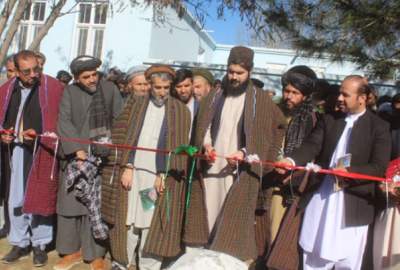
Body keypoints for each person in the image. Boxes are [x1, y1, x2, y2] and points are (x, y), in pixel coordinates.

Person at [184, 46, 286, 264]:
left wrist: (247, 152)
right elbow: (203, 126)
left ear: (250, 71)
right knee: (206, 220)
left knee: (231, 226)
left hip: (239, 175)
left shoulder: (261, 100)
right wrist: (207, 146)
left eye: (239, 73)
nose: (234, 77)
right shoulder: (215, 95)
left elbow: (278, 127)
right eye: (231, 71)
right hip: (211, 169)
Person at [278, 75, 391, 270]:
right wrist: (290, 160)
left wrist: (349, 172)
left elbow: (379, 166)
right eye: (339, 93)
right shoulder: (330, 119)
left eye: (345, 95)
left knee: (348, 258)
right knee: (313, 254)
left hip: (354, 203)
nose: (339, 98)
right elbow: (312, 145)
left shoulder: (379, 127)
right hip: (322, 197)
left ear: (362, 98)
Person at [101, 65, 191, 270]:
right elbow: (123, 136)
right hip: (134, 172)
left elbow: (179, 146)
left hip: (155, 176)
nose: (162, 92)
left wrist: (164, 174)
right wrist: (127, 166)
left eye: (166, 88)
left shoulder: (180, 111)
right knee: (128, 218)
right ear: (150, 85)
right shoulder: (136, 105)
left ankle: (148, 265)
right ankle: (122, 261)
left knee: (149, 219)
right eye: (157, 87)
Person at [55, 55, 124, 270]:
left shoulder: (110, 89)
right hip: (76, 157)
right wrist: (77, 149)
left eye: (94, 74)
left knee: (97, 208)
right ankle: (71, 251)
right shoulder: (70, 92)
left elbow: (119, 119)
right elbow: (63, 120)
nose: (92, 79)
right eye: (86, 77)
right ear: (76, 78)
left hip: (103, 158)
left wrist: (109, 148)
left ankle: (96, 254)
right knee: (71, 205)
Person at [0, 50, 64, 266]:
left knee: (40, 198)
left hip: (43, 150)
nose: (33, 74)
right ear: (16, 72)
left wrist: (41, 132)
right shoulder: (7, 90)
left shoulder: (53, 87)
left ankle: (40, 244)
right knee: (15, 199)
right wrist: (5, 134)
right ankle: (19, 242)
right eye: (26, 71)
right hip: (16, 151)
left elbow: (61, 119)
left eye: (36, 69)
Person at [265, 65, 318, 260]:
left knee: (279, 235)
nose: (289, 96)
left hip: (289, 187)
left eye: (295, 93)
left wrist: (291, 175)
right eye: (287, 91)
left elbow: (310, 154)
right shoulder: (275, 112)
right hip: (267, 179)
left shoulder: (311, 120)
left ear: (304, 96)